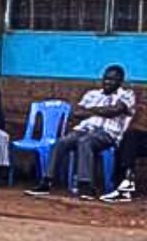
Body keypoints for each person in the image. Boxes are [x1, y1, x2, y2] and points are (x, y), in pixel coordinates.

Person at [28, 64, 136, 197]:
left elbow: (114, 111)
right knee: (61, 142)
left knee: (85, 142)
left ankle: (85, 185)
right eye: (105, 78)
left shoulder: (127, 95)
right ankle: (46, 181)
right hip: (84, 129)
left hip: (108, 134)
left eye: (112, 79)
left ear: (120, 82)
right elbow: (77, 113)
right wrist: (101, 110)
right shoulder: (92, 94)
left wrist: (91, 111)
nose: (107, 82)